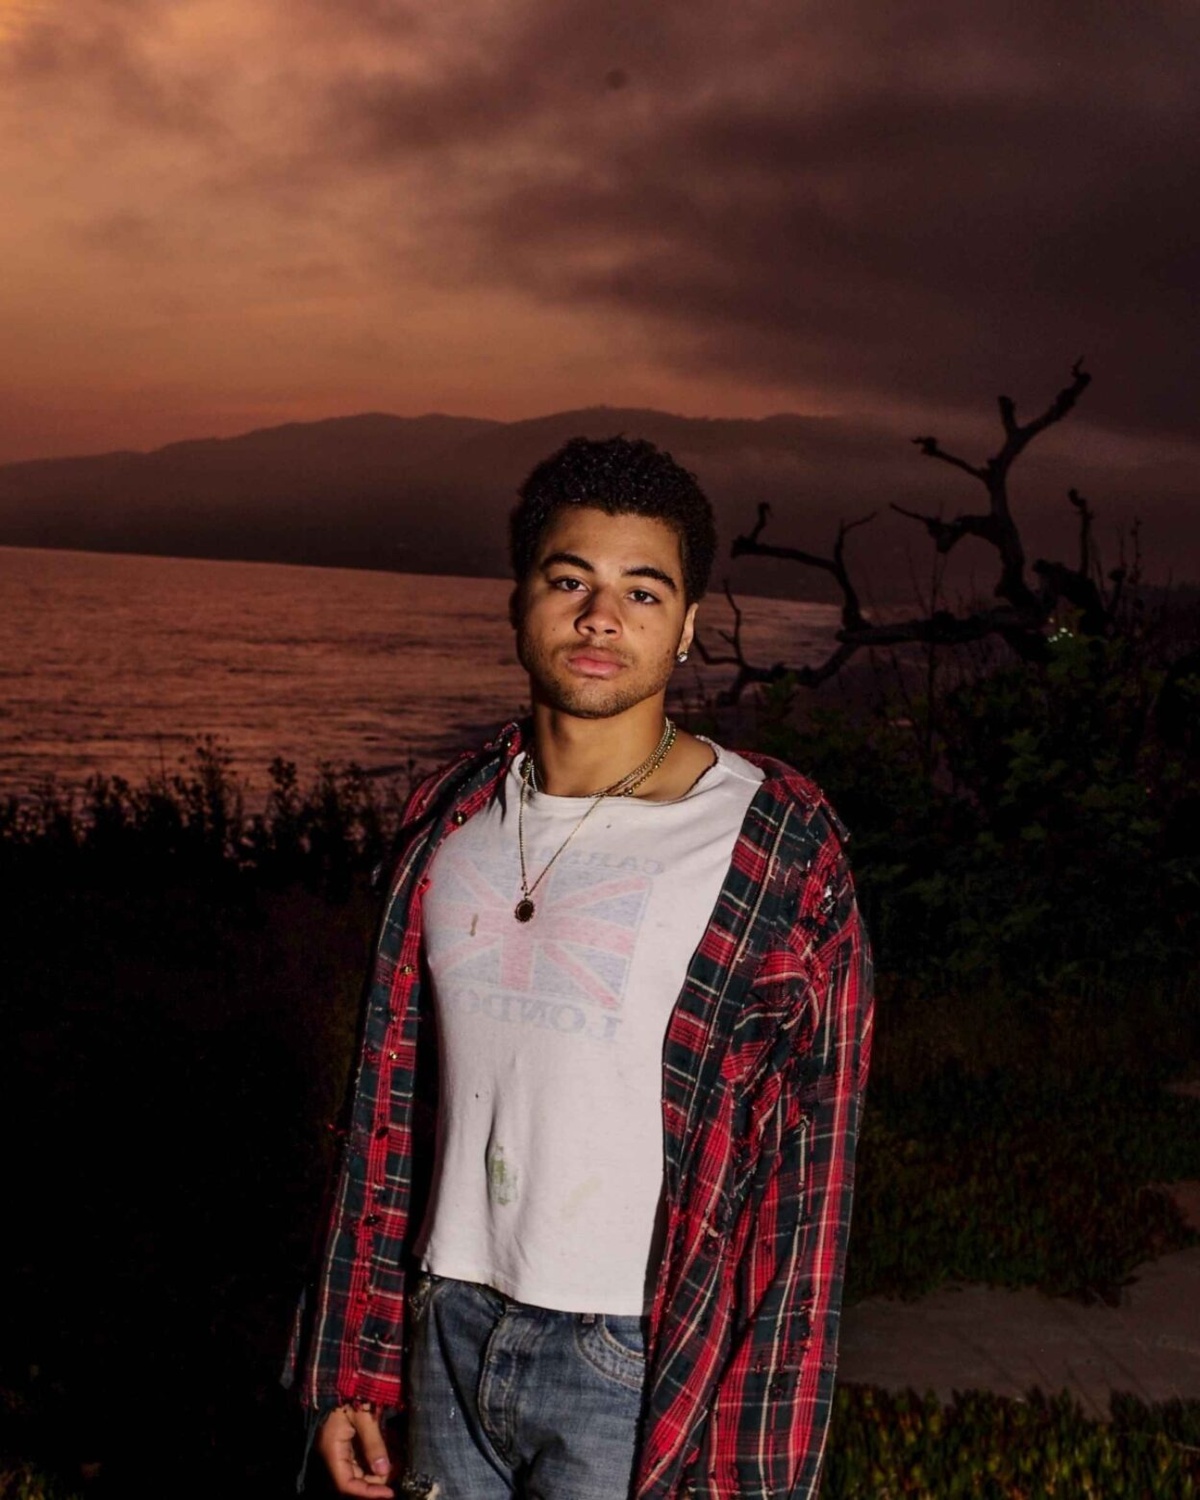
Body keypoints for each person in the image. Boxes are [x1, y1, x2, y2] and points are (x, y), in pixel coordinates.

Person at [285, 436, 873, 1500]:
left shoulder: (772, 842)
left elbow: (808, 1175)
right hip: (444, 1319)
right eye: (570, 581)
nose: (603, 617)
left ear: (686, 626)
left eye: (643, 592)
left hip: (634, 1351)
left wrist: (756, 1471)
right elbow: (386, 1109)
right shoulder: (446, 821)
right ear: (518, 601)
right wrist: (353, 1361)